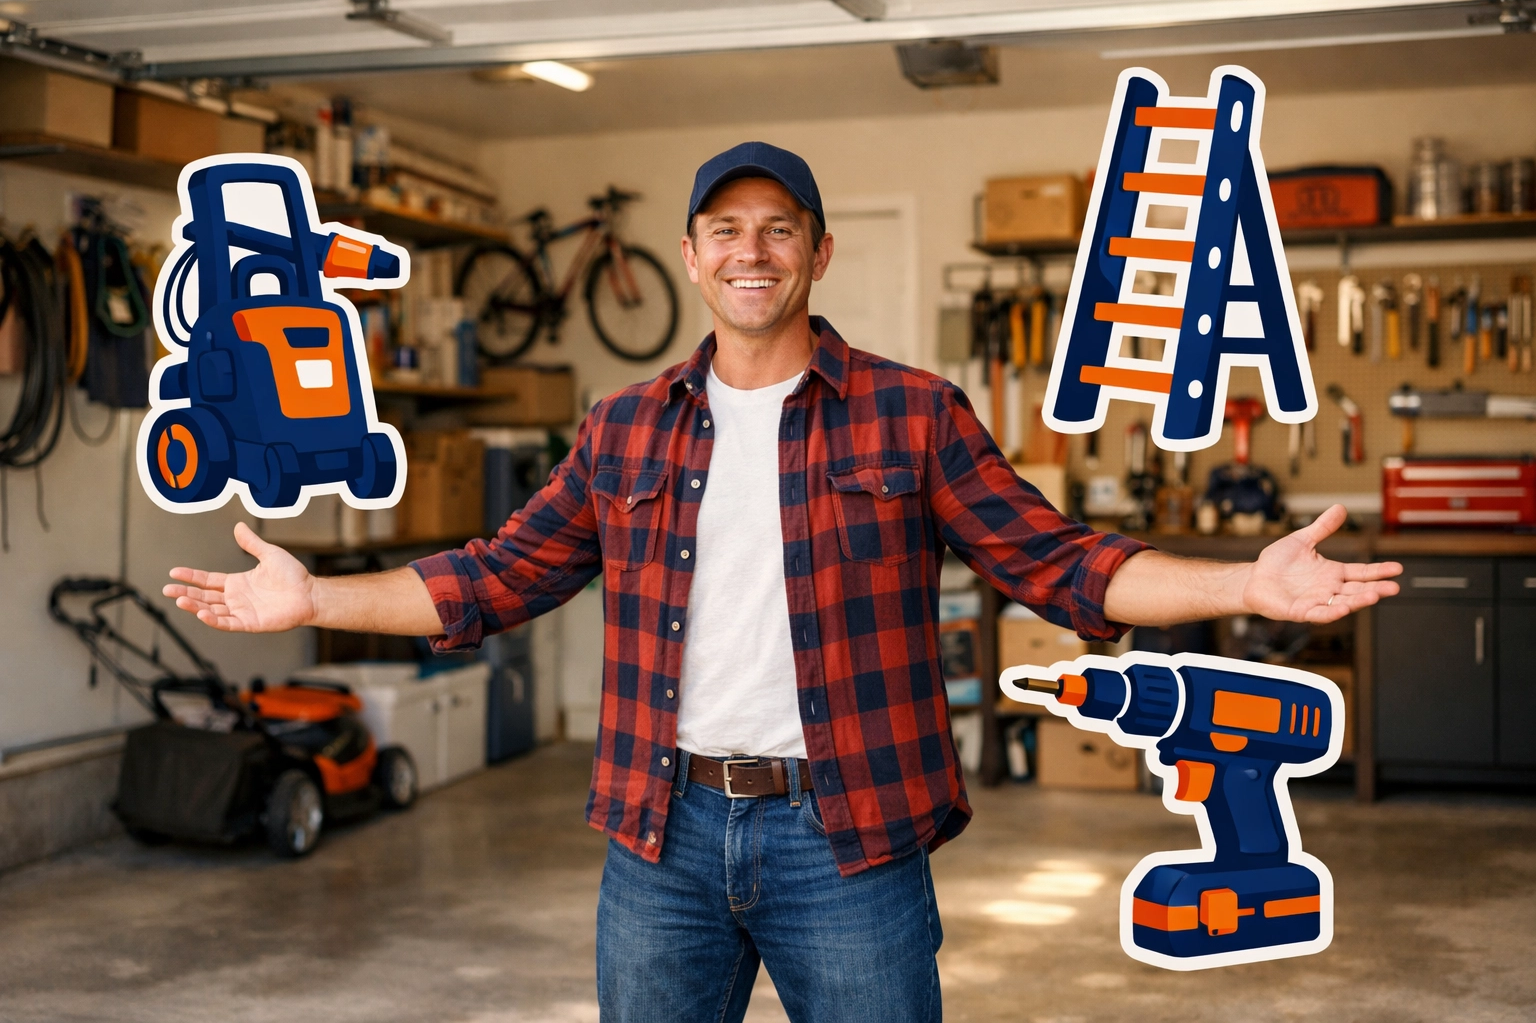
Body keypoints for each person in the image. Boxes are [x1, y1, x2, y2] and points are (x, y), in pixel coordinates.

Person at [164, 142, 1402, 1023]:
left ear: (816, 250)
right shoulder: (623, 430)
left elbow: (1065, 567)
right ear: (693, 258)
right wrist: (314, 598)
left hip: (847, 836)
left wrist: (1249, 579)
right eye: (726, 230)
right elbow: (491, 578)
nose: (752, 251)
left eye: (778, 228)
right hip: (662, 837)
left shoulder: (914, 414)